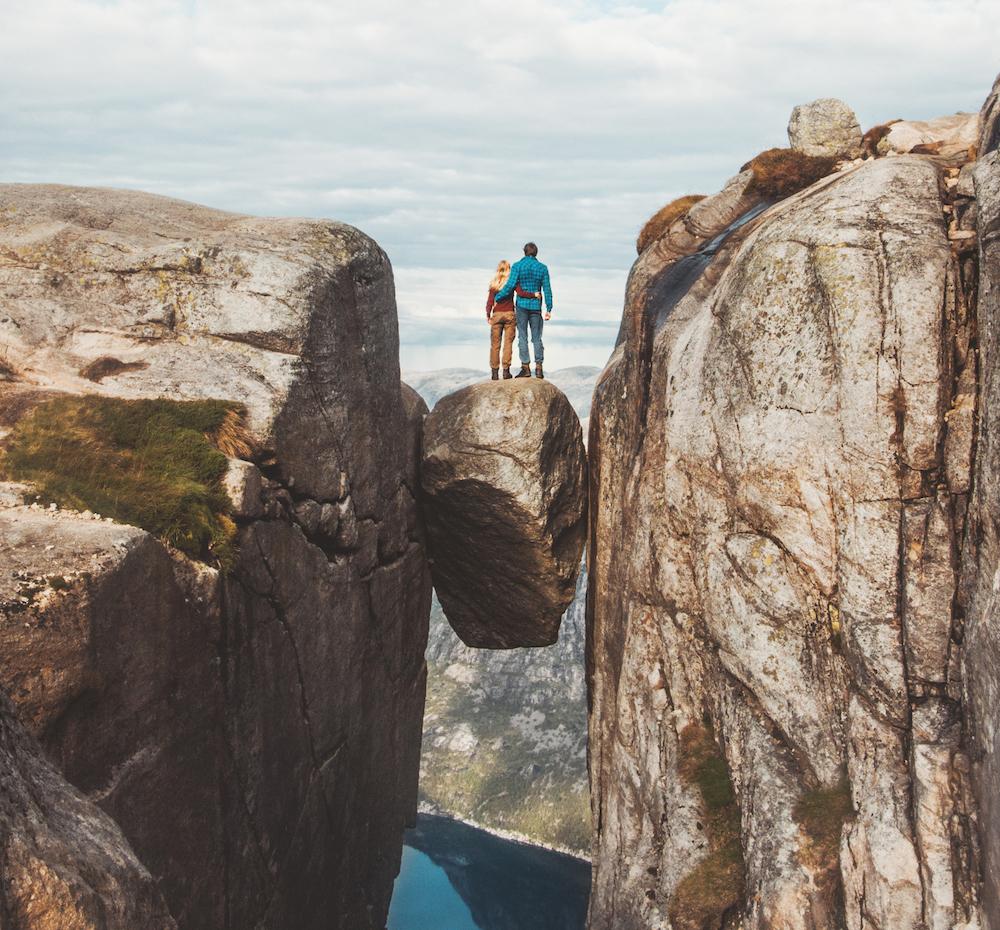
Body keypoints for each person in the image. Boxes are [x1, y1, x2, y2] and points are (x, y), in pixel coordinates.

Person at [492, 242, 553, 379]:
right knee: (537, 338)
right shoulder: (542, 268)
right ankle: (539, 368)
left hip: (522, 306)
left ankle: (525, 368)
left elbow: (510, 285)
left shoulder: (517, 266)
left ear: (524, 252)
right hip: (536, 307)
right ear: (536, 252)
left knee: (522, 337)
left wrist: (498, 297)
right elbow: (547, 289)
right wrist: (549, 308)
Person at [485, 260, 516, 379]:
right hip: (509, 314)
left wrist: (488, 315)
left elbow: (489, 302)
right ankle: (506, 371)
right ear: (508, 269)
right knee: (508, 344)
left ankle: (494, 373)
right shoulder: (511, 283)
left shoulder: (494, 284)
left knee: (495, 345)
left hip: (497, 315)